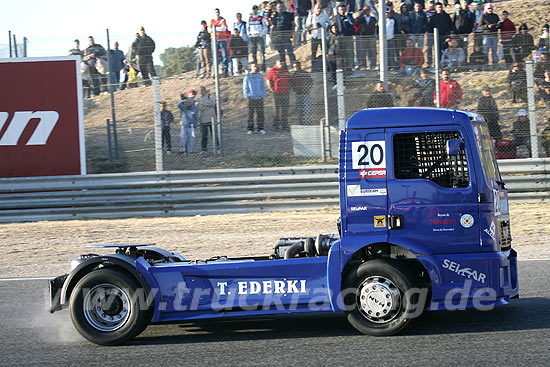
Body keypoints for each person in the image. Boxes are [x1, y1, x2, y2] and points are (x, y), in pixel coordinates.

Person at [243, 63, 267, 134]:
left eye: (256, 66)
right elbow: (245, 87)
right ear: (251, 67)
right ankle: (250, 128)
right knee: (250, 114)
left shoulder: (260, 76)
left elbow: (263, 86)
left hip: (259, 97)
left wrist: (263, 94)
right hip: (251, 97)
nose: (255, 68)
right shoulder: (247, 76)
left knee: (260, 114)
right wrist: (247, 95)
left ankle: (261, 128)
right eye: (254, 66)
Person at [267, 60, 291, 131]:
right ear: (276, 64)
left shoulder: (286, 71)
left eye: (282, 62)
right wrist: (271, 89)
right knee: (276, 110)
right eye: (279, 62)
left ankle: (284, 126)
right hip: (276, 93)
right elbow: (268, 80)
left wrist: (288, 89)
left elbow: (289, 81)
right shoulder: (273, 70)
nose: (281, 63)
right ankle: (276, 126)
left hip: (285, 93)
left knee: (285, 110)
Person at [270, 2, 296, 66]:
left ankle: (295, 66)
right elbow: (272, 27)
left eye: (281, 6)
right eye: (279, 7)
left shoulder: (289, 15)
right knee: (281, 54)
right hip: (278, 37)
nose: (280, 8)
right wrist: (272, 37)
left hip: (287, 36)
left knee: (290, 52)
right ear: (277, 8)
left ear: (284, 7)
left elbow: (293, 24)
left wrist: (292, 34)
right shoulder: (275, 16)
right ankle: (284, 68)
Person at [352, 5, 377, 71]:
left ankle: (373, 65)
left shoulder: (373, 19)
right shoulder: (361, 19)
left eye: (368, 10)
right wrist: (362, 13)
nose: (367, 11)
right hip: (363, 36)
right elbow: (356, 21)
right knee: (362, 52)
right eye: (365, 10)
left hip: (371, 37)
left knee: (372, 51)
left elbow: (375, 27)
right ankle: (363, 65)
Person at [333, 4, 355, 72]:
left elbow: (352, 23)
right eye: (341, 10)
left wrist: (347, 15)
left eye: (343, 9)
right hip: (340, 37)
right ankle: (341, 67)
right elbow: (334, 25)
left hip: (348, 37)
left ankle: (350, 67)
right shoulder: (336, 17)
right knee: (341, 53)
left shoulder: (349, 16)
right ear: (338, 10)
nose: (342, 11)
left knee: (349, 53)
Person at [196, 86, 218, 154]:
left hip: (211, 118)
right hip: (203, 119)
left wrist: (203, 104)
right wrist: (208, 105)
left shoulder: (210, 95)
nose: (201, 92)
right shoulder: (198, 99)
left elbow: (213, 103)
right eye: (200, 91)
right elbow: (198, 107)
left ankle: (217, 148)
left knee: (214, 135)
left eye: (202, 90)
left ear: (205, 90)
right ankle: (204, 150)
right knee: (204, 135)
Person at [290, 61, 313, 125]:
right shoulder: (294, 75)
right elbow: (292, 84)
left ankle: (308, 122)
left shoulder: (304, 73)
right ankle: (301, 122)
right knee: (299, 109)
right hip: (298, 94)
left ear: (299, 66)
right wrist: (296, 89)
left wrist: (307, 88)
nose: (295, 67)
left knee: (307, 109)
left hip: (306, 93)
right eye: (293, 66)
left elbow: (310, 81)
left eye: (296, 66)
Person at [248, 5, 268, 72]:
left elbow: (265, 27)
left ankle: (263, 68)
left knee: (262, 52)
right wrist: (249, 34)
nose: (254, 10)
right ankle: (255, 68)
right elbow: (247, 28)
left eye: (255, 9)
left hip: (259, 37)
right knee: (253, 53)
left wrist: (261, 34)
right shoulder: (250, 18)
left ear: (257, 10)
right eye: (253, 9)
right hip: (252, 37)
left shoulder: (261, 18)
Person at [210, 8, 230, 77]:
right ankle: (215, 72)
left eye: (218, 12)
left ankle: (225, 71)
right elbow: (209, 30)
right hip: (214, 40)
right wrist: (217, 28)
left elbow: (224, 28)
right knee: (215, 56)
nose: (217, 13)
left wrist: (215, 28)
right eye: (216, 12)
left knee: (224, 56)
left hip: (222, 40)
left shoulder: (222, 20)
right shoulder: (212, 20)